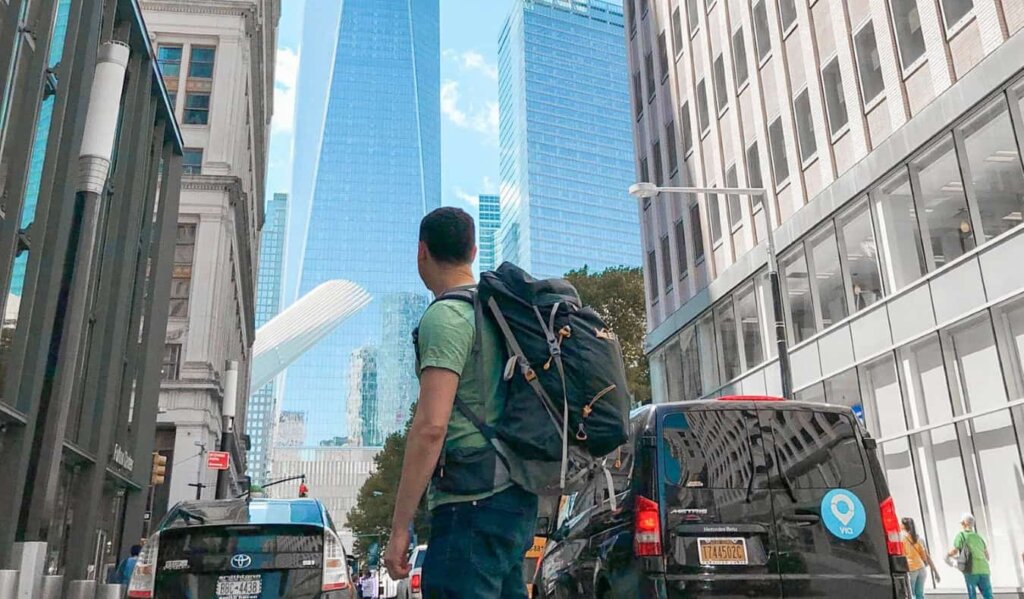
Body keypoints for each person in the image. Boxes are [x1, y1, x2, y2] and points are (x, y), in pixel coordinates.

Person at [383, 207, 538, 598]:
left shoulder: (447, 316)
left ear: (421, 252)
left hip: (470, 503)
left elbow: (431, 427)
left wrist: (400, 528)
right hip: (517, 499)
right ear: (472, 251)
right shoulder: (500, 314)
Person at [948, 513, 993, 599]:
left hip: (971, 570)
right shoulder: (979, 537)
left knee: (972, 596)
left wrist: (947, 555)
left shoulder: (961, 535)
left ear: (963, 523)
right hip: (984, 569)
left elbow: (954, 551)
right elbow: (987, 556)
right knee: (988, 596)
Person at [901, 517, 939, 599]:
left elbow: (902, 556)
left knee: (911, 594)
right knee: (920, 594)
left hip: (911, 569)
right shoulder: (919, 539)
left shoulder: (903, 540)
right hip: (922, 568)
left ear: (904, 526)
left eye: (901, 524)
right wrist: (935, 572)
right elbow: (927, 557)